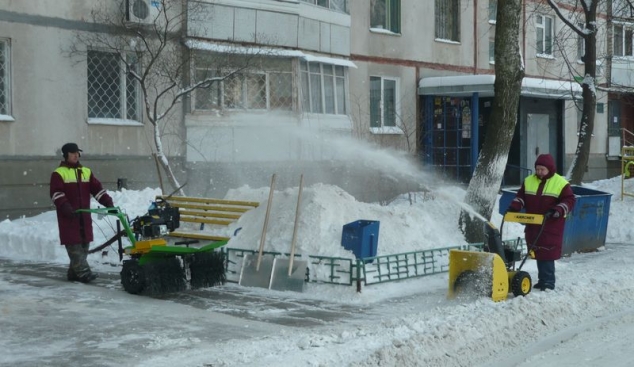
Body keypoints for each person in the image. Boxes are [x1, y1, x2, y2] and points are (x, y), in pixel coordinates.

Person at [506, 153, 576, 291]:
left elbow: (569, 200)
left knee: (547, 252)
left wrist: (557, 210)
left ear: (549, 169)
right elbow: (521, 197)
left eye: (542, 170)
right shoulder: (529, 181)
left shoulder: (560, 183)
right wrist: (515, 206)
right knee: (537, 251)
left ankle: (548, 282)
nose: (539, 172)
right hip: (533, 224)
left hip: (551, 225)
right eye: (537, 169)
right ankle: (542, 280)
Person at [50, 143, 115, 283]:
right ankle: (84, 273)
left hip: (84, 218)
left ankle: (73, 274)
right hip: (69, 218)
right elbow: (56, 194)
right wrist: (66, 208)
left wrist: (108, 203)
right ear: (66, 155)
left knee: (84, 245)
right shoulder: (59, 173)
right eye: (72, 153)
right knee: (75, 247)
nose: (76, 155)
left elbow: (97, 190)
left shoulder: (86, 171)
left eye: (77, 153)